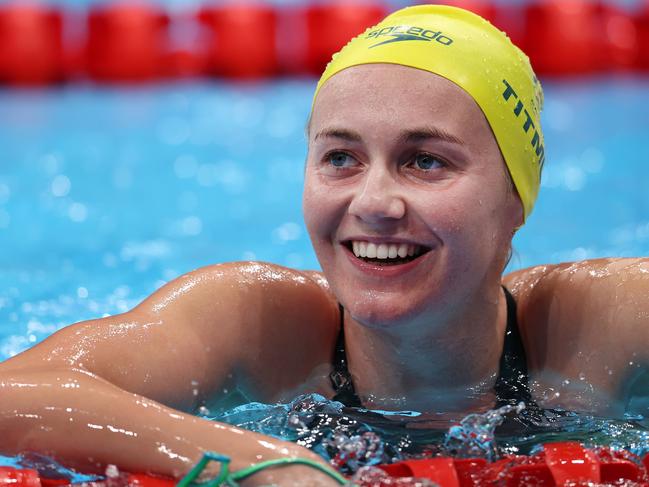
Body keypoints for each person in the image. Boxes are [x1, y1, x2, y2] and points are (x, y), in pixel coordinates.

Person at [1, 4, 648, 486]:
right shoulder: (255, 325)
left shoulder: (598, 324)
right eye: (340, 157)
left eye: (424, 161)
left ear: (514, 201)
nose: (372, 202)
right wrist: (263, 461)